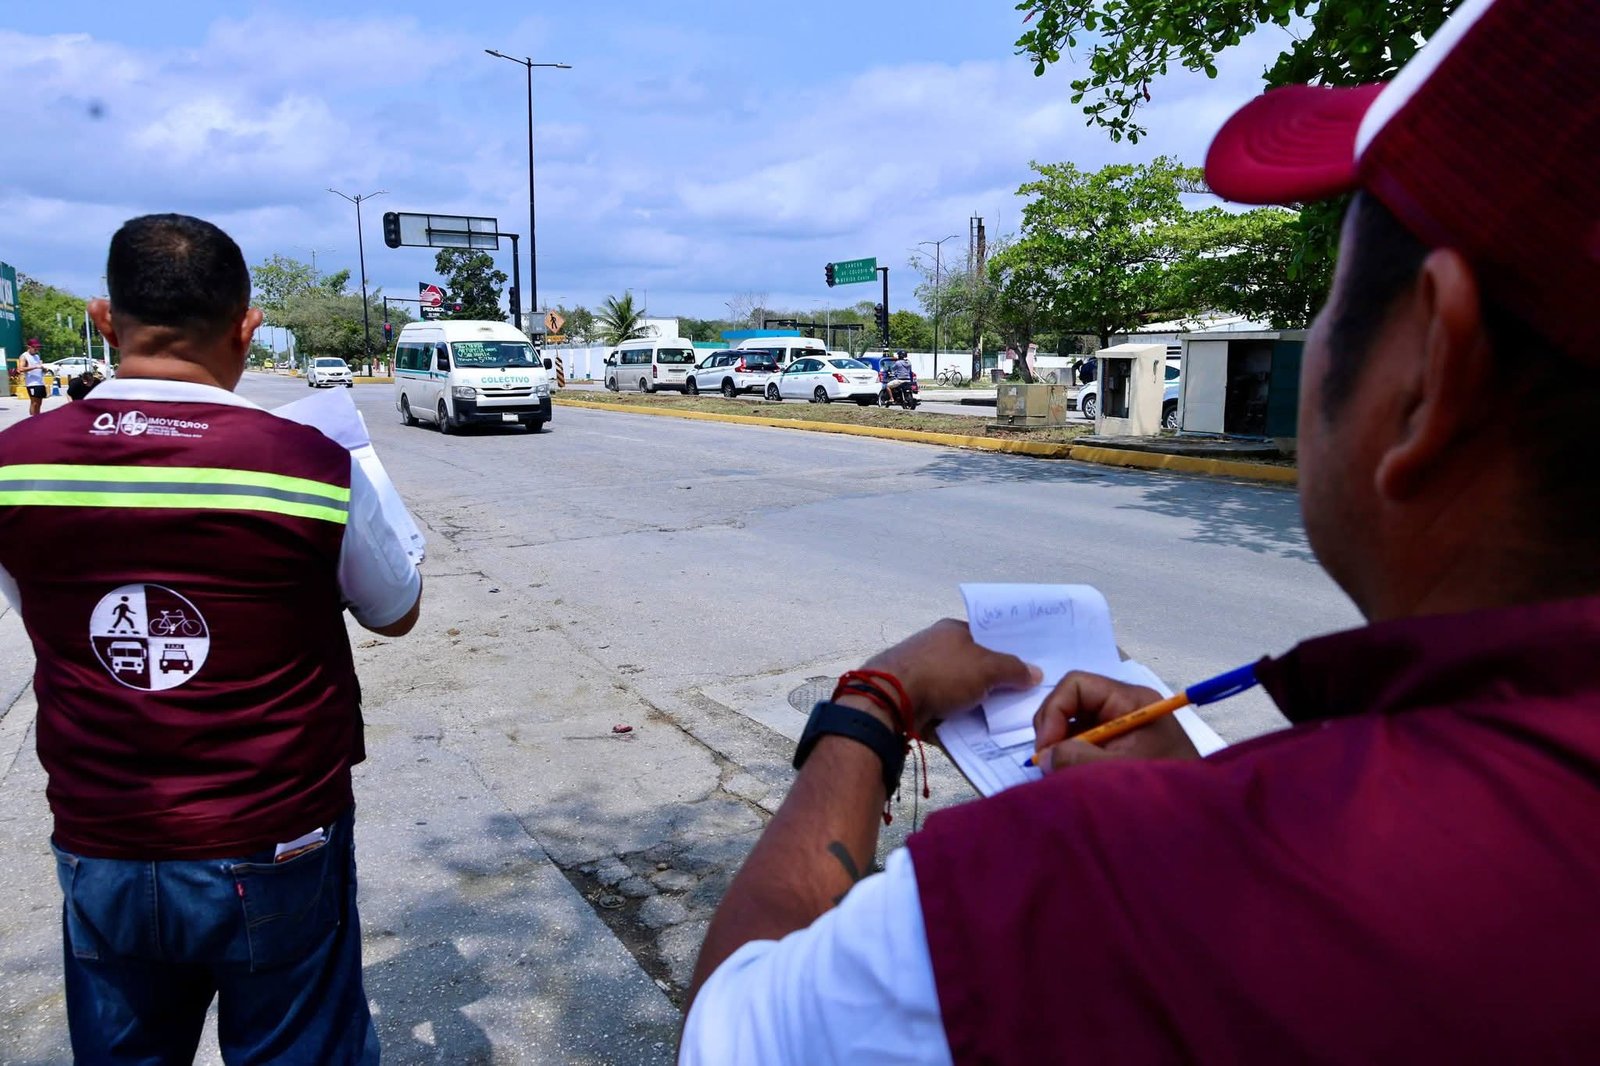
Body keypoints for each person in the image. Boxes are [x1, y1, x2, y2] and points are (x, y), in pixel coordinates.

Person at [680, 0, 1600, 1061]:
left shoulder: (1098, 890)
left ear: (1429, 369)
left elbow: (729, 1034)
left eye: (1335, 302)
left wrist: (872, 705)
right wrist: (1209, 787)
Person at [0, 214, 423, 1063]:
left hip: (99, 842)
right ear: (246, 325)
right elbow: (396, 609)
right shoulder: (307, 463)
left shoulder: (16, 465)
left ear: (106, 319)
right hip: (274, 837)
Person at [19, 337, 46, 416]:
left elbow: (38, 367)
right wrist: (35, 367)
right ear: (29, 347)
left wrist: (43, 369)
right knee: (34, 403)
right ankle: (32, 420)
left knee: (39, 403)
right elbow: (21, 368)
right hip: (32, 383)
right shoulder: (24, 356)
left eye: (38, 347)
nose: (37, 349)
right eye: (35, 347)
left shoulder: (37, 356)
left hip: (40, 382)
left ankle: (37, 418)